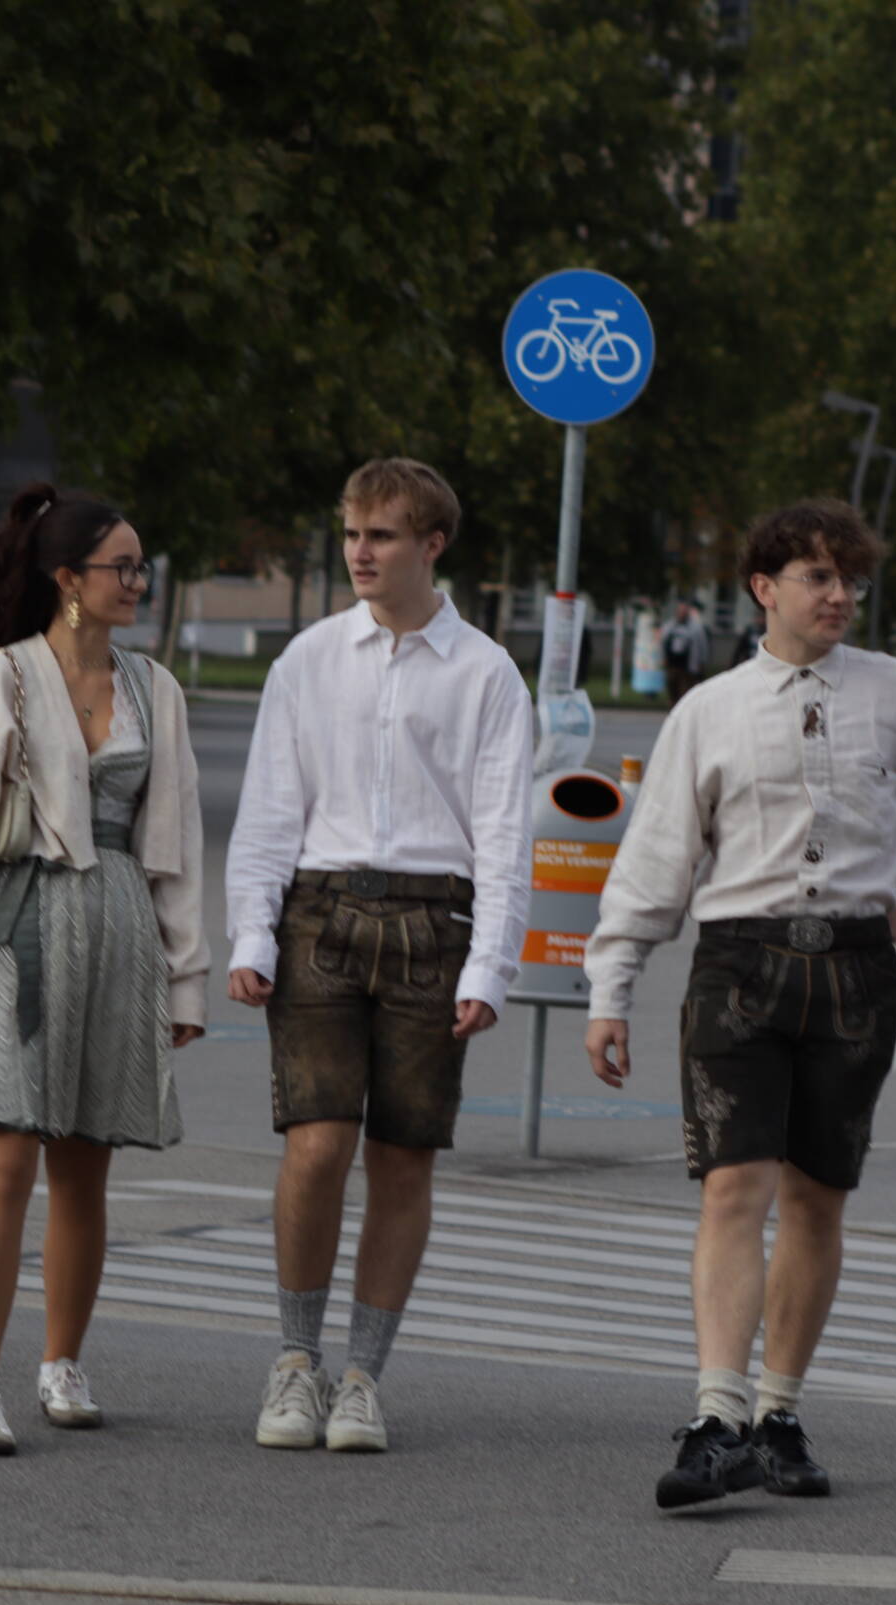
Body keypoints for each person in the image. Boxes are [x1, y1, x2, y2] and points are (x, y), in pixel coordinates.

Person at [583, 498, 896, 1510]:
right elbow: (656, 855)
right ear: (764, 588)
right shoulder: (710, 710)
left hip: (854, 973)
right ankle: (716, 1418)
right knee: (734, 1190)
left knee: (816, 1198)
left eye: (848, 578)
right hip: (738, 966)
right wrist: (612, 986)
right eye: (817, 576)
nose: (839, 595)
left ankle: (779, 1414)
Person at [225, 458, 534, 1455]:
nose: (360, 552)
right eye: (352, 533)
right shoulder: (308, 661)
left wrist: (491, 967)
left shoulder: (484, 671)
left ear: (432, 544)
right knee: (317, 1146)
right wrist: (250, 933)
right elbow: (271, 811)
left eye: (383, 535)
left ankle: (362, 1376)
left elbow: (502, 835)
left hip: (434, 926)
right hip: (319, 914)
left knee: (403, 1158)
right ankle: (294, 1362)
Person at [0, 483, 209, 1454]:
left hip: (118, 928)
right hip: (21, 931)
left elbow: (179, 845)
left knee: (86, 1167)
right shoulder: (0, 681)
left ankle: (62, 1362)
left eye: (140, 566)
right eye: (121, 567)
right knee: (3, 1162)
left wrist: (185, 977)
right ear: (67, 581)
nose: (137, 582)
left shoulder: (154, 689)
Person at [661, 599, 711, 705]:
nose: (682, 614)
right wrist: (664, 658)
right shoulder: (670, 626)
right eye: (680, 611)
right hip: (673, 664)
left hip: (688, 665)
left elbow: (702, 646)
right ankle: (673, 704)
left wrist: (702, 662)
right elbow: (664, 643)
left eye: (684, 611)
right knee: (672, 684)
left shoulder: (696, 628)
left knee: (685, 690)